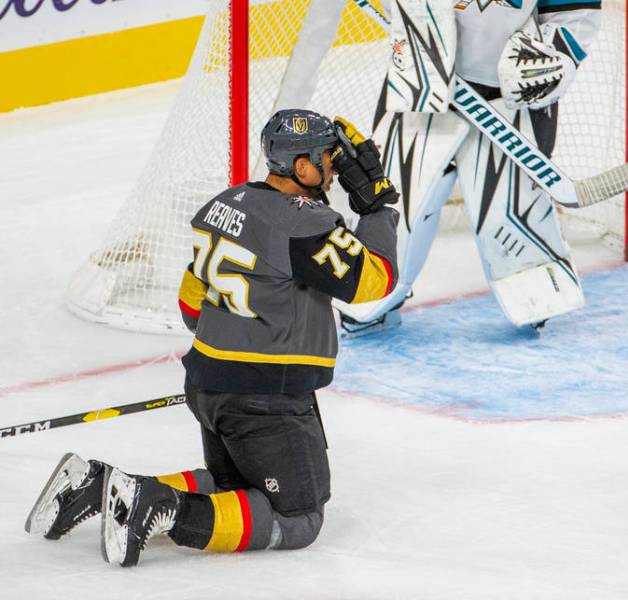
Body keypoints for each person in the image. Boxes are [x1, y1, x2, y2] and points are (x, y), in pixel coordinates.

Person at [25, 109, 400, 566]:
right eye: (326, 157)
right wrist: (376, 208)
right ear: (302, 167)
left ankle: (96, 485)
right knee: (297, 516)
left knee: (235, 491)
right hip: (265, 397)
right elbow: (374, 284)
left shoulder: (226, 204)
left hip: (208, 386)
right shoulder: (305, 225)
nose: (335, 167)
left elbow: (190, 308)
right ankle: (158, 506)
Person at [336, 0, 601, 334]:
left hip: (509, 95)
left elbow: (575, 13)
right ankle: (375, 288)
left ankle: (530, 278)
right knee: (397, 200)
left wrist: (556, 56)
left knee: (511, 219)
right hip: (422, 81)